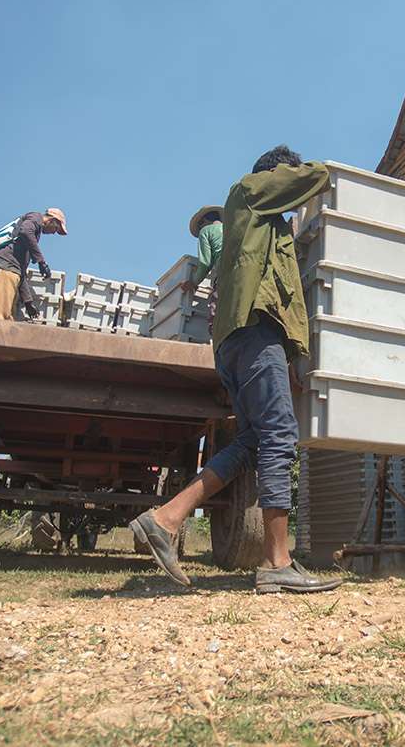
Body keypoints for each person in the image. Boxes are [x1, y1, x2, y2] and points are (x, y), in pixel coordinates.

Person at [130, 145, 341, 594]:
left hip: (241, 339)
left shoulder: (263, 224)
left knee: (250, 441)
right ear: (275, 174)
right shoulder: (250, 190)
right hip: (254, 332)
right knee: (281, 434)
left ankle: (165, 519)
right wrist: (308, 172)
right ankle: (276, 561)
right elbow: (317, 174)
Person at [0, 208, 68, 320]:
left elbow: (21, 270)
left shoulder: (27, 240)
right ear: (52, 220)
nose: (54, 233)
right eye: (56, 229)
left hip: (9, 269)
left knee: (7, 317)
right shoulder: (36, 218)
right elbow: (25, 231)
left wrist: (28, 302)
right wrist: (41, 262)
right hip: (5, 269)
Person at [181, 205, 224, 332]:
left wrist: (193, 282)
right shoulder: (231, 228)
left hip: (224, 276)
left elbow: (205, 263)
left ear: (204, 222)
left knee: (216, 318)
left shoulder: (206, 231)